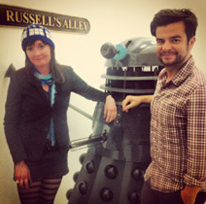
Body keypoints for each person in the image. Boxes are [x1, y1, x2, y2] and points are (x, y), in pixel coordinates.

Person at [4, 23, 117, 204]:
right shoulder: (19, 79)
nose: (37, 52)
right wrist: (19, 162)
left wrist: (108, 97)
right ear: (25, 52)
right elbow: (10, 123)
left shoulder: (66, 73)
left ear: (51, 47)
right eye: (30, 48)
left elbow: (87, 91)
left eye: (42, 45)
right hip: (29, 157)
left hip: (57, 154)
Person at [122, 9, 206, 204]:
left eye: (175, 40)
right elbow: (171, 102)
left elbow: (201, 149)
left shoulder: (198, 88)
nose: (166, 47)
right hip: (155, 177)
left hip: (178, 191)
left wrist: (190, 193)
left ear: (191, 42)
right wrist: (142, 98)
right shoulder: (164, 75)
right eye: (160, 41)